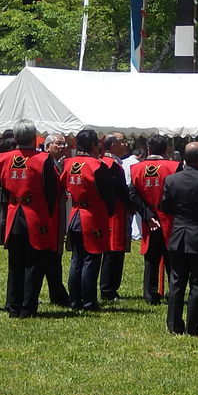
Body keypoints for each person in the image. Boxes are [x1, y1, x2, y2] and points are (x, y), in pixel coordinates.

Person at [0, 120, 59, 318]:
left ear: (15, 138)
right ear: (34, 138)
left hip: (14, 214)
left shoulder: (2, 159)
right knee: (34, 263)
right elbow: (52, 191)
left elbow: (3, 186)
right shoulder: (43, 159)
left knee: (15, 263)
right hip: (35, 214)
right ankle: (27, 307)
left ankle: (13, 306)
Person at [158, 141, 198, 335]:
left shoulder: (171, 180)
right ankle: (194, 326)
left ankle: (174, 325)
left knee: (176, 282)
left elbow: (165, 207)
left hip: (178, 235)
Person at [61, 128, 115, 312]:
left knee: (77, 259)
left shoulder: (68, 163)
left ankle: (74, 300)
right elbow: (108, 194)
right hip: (92, 215)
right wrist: (110, 209)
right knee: (91, 259)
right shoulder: (97, 166)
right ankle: (89, 301)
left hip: (74, 213)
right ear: (93, 144)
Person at [129, 134, 181, 304]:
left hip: (149, 218)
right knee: (172, 259)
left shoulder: (137, 168)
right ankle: (174, 292)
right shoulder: (174, 166)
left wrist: (148, 215)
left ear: (148, 149)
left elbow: (133, 194)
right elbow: (178, 192)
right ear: (166, 149)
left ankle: (150, 295)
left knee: (151, 258)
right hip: (169, 218)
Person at [99, 132, 131, 302]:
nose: (125, 144)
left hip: (108, 212)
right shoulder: (111, 165)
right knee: (113, 251)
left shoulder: (107, 163)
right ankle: (108, 289)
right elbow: (122, 192)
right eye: (122, 141)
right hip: (115, 213)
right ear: (112, 146)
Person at [42, 133, 71, 306]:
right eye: (58, 144)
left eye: (64, 144)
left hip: (58, 216)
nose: (62, 147)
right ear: (47, 147)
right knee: (49, 258)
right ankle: (58, 294)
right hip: (48, 218)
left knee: (55, 258)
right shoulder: (45, 164)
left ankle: (57, 293)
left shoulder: (60, 164)